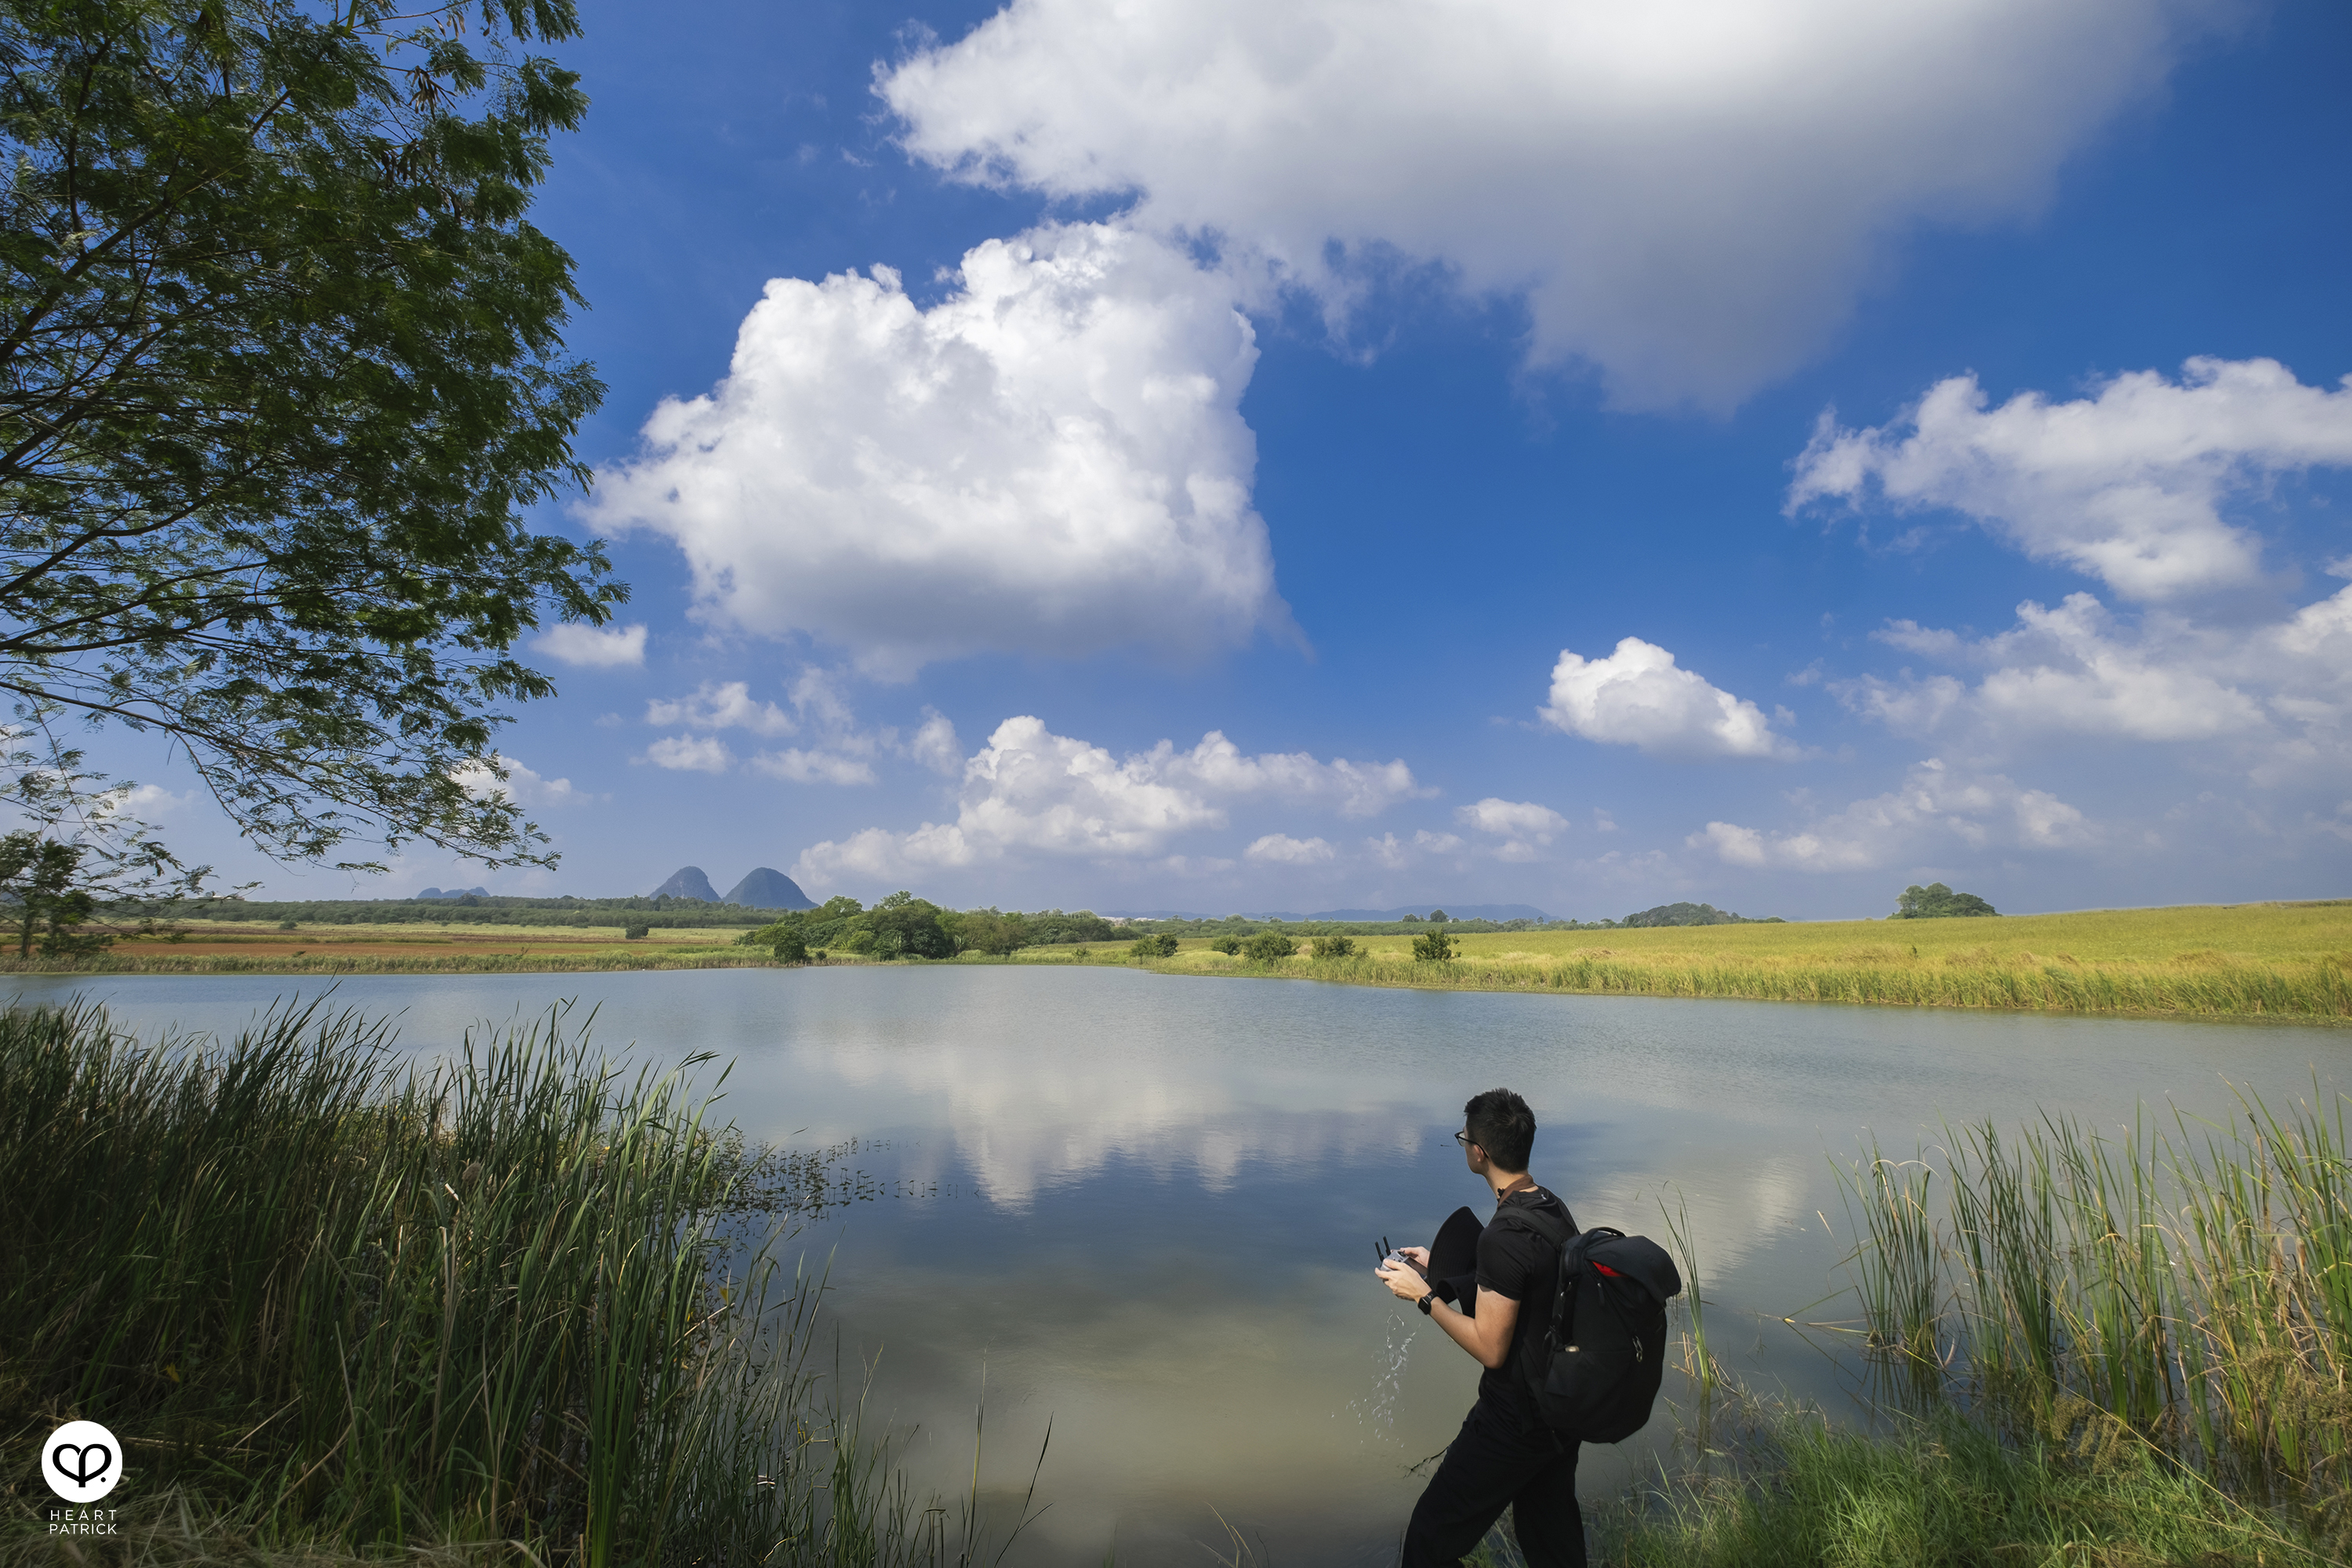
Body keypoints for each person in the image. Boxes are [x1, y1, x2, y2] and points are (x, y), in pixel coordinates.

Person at [1376, 1088, 1581, 1567]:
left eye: (1464, 1138)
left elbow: (1491, 1347)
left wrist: (1424, 1297)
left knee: (1429, 1537)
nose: (1464, 1145)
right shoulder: (1548, 1206)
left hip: (1513, 1419)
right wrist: (1440, 1270)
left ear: (1479, 1152)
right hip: (1557, 1411)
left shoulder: (1505, 1235)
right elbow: (1525, 1293)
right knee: (1552, 1546)